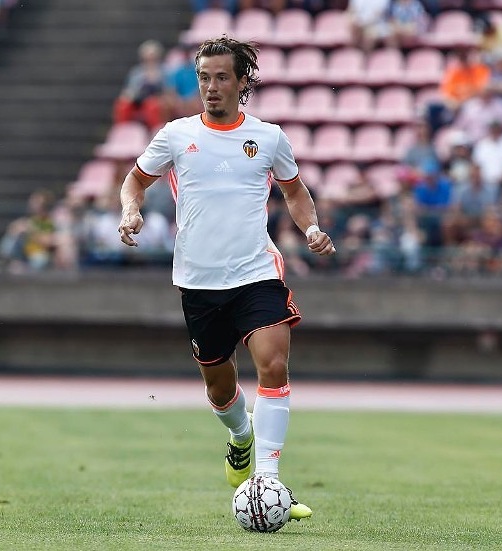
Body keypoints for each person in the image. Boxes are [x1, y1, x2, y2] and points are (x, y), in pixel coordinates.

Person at [118, 36, 335, 522]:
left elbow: (295, 192)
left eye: (221, 77)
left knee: (273, 364)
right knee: (220, 390)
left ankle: (268, 478)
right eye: (204, 78)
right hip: (198, 281)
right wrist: (131, 210)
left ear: (241, 82)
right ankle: (241, 435)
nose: (211, 87)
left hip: (256, 272)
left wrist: (312, 229)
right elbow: (135, 180)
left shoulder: (268, 138)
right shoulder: (176, 135)